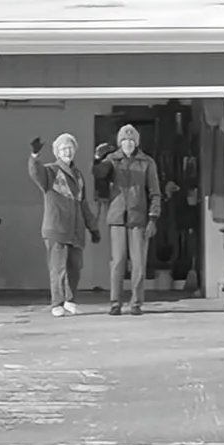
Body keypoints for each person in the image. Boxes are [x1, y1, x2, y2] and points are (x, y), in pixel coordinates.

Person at [93, 124, 161, 316]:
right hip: (117, 217)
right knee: (118, 262)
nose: (128, 144)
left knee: (139, 263)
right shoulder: (112, 160)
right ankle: (115, 303)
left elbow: (155, 192)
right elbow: (99, 174)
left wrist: (153, 219)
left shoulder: (147, 162)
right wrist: (98, 158)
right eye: (124, 141)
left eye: (131, 141)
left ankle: (136, 303)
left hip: (139, 218)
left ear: (136, 142)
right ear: (119, 143)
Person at [29, 133, 100, 317]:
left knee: (75, 267)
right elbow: (36, 173)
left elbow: (83, 203)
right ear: (56, 153)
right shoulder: (50, 172)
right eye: (62, 149)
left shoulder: (78, 175)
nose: (67, 151)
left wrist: (93, 227)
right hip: (57, 229)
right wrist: (35, 156)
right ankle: (57, 303)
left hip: (75, 230)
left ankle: (70, 300)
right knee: (58, 267)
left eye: (69, 148)